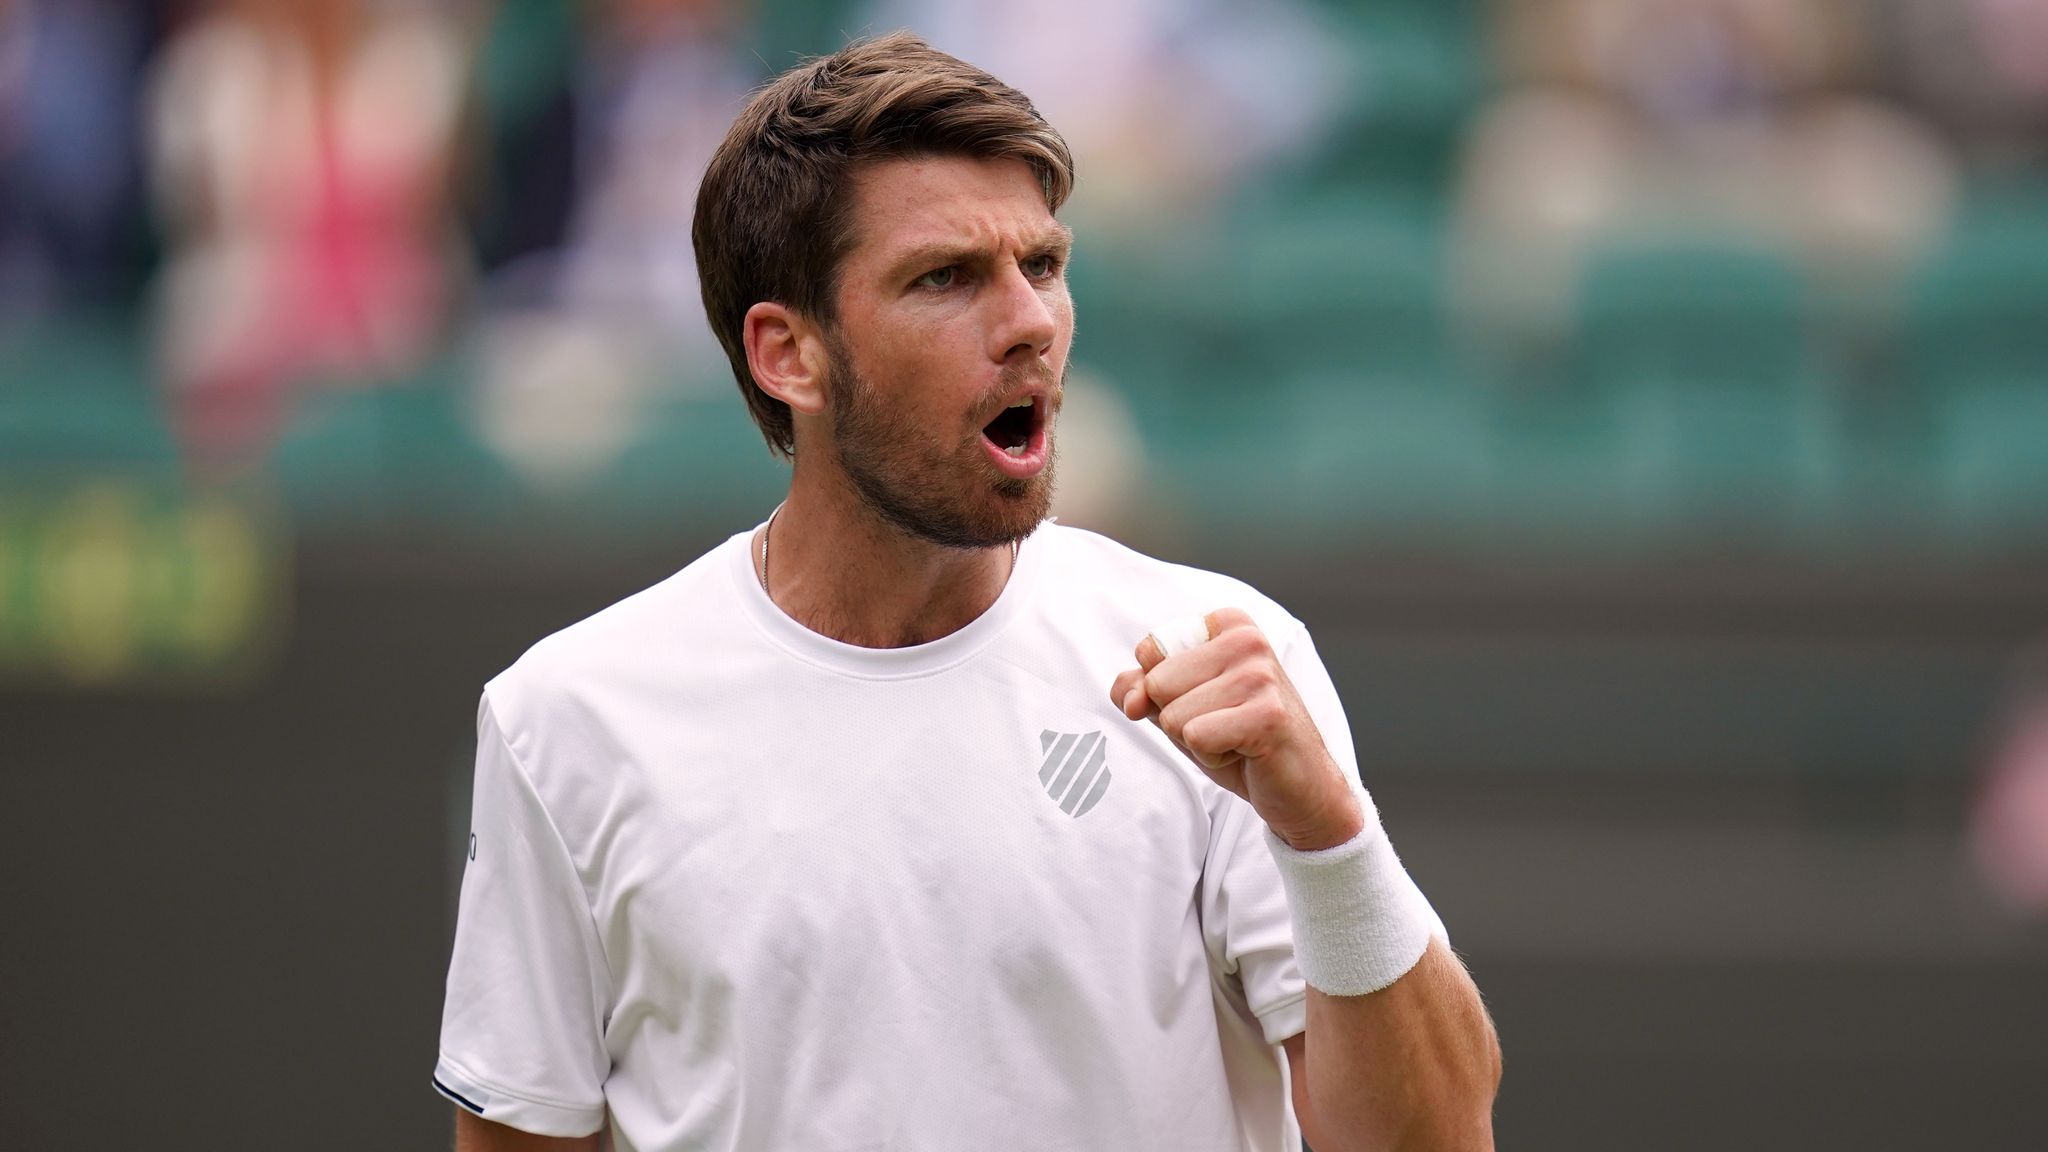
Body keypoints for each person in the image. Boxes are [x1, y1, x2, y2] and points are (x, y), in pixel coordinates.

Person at [433, 31, 1501, 1152]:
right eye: (945, 278)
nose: (1031, 321)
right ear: (786, 355)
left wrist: (1328, 835)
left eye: (1041, 265)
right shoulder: (566, 717)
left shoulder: (1219, 655)